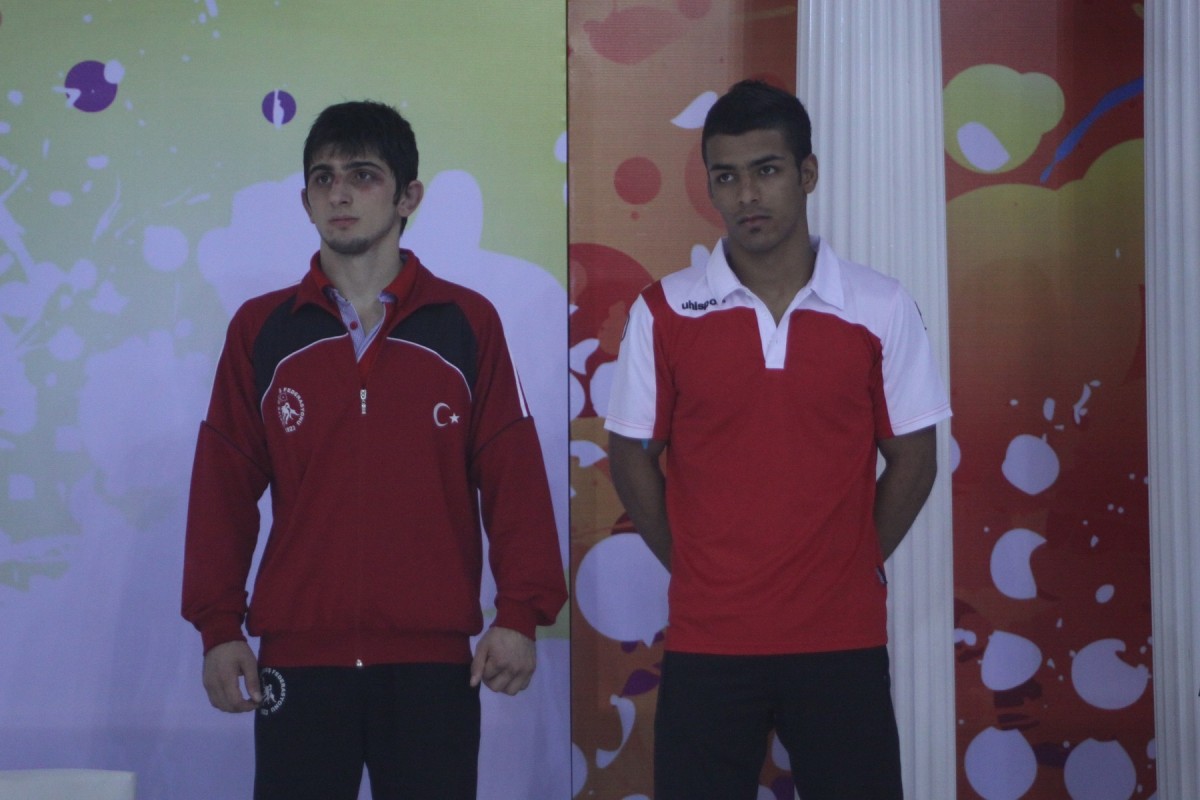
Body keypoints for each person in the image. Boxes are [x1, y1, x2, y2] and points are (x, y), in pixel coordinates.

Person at [182, 100, 567, 800]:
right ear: (305, 199)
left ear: (408, 196)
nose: (340, 193)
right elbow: (221, 490)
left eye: (363, 175)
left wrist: (519, 613)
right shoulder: (262, 330)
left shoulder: (465, 323)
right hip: (299, 660)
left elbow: (513, 477)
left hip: (432, 665)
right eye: (323, 178)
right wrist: (218, 626)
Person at [604, 80, 951, 799]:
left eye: (766, 170)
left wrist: (851, 559)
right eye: (726, 177)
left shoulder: (881, 306)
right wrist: (697, 564)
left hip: (842, 641)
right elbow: (631, 454)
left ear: (807, 173)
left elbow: (915, 458)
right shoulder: (664, 310)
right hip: (709, 641)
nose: (747, 196)